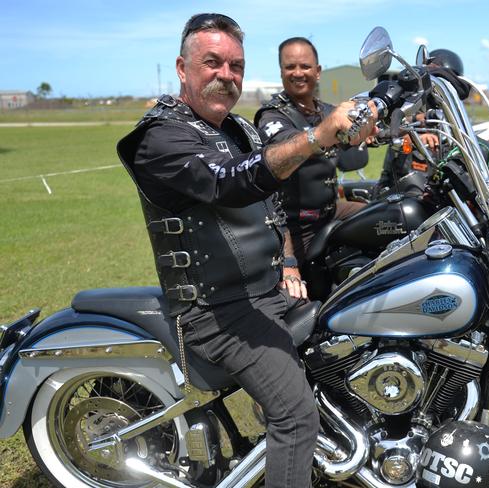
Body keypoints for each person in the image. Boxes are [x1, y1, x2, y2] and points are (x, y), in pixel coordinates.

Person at [116, 13, 375, 488]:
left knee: (350, 337)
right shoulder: (160, 136)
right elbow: (228, 184)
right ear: (182, 67)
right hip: (217, 309)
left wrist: (291, 262)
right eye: (212, 62)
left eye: (235, 65)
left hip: (265, 291)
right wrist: (318, 135)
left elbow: (274, 206)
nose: (226, 75)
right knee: (296, 417)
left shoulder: (239, 130)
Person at [254, 37, 367, 284]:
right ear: (281, 72)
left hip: (331, 210)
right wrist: (326, 132)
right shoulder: (272, 115)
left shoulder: (327, 110)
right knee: (302, 298)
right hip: (294, 224)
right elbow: (287, 142)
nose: (297, 73)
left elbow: (359, 137)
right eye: (289, 67)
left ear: (317, 71)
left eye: (305, 66)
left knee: (393, 219)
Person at [375, 48, 467, 194]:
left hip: (439, 189)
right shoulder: (408, 103)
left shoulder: (450, 113)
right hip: (402, 188)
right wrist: (413, 135)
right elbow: (383, 129)